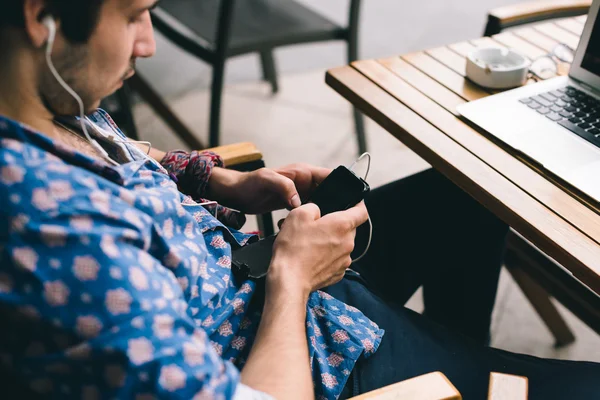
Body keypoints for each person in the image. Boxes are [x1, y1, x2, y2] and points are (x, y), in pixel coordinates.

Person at [0, 1, 598, 399]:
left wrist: (209, 178)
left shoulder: (45, 104)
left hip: (263, 282)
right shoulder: (56, 235)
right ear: (41, 17)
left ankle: (457, 352)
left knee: (464, 195)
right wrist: (293, 278)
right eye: (133, 15)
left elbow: (120, 153)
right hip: (305, 356)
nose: (149, 43)